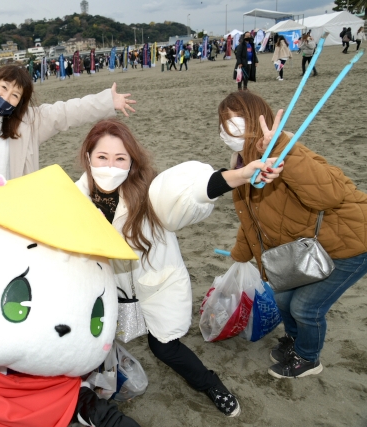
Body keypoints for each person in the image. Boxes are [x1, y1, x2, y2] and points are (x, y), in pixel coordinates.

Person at [75, 118, 282, 416]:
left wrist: (239, 175)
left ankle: (210, 384)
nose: (110, 166)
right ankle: (90, 393)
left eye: (120, 158)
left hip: (156, 284)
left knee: (164, 347)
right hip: (106, 291)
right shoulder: (75, 200)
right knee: (94, 344)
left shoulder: (149, 192)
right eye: (102, 157)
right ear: (88, 157)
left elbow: (190, 192)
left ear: (132, 161)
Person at [218, 90, 367, 379]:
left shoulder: (287, 151)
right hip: (310, 247)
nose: (228, 131)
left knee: (305, 307)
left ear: (256, 122)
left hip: (352, 242)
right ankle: (296, 340)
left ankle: (308, 358)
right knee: (283, 297)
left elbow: (330, 194)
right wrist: (240, 256)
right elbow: (251, 219)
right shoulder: (242, 164)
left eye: (236, 123)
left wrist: (279, 146)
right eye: (223, 124)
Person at [0, 64, 136, 235]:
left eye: (15, 95)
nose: (6, 97)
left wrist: (107, 101)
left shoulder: (27, 123)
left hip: (8, 222)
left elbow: (67, 112)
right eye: (3, 87)